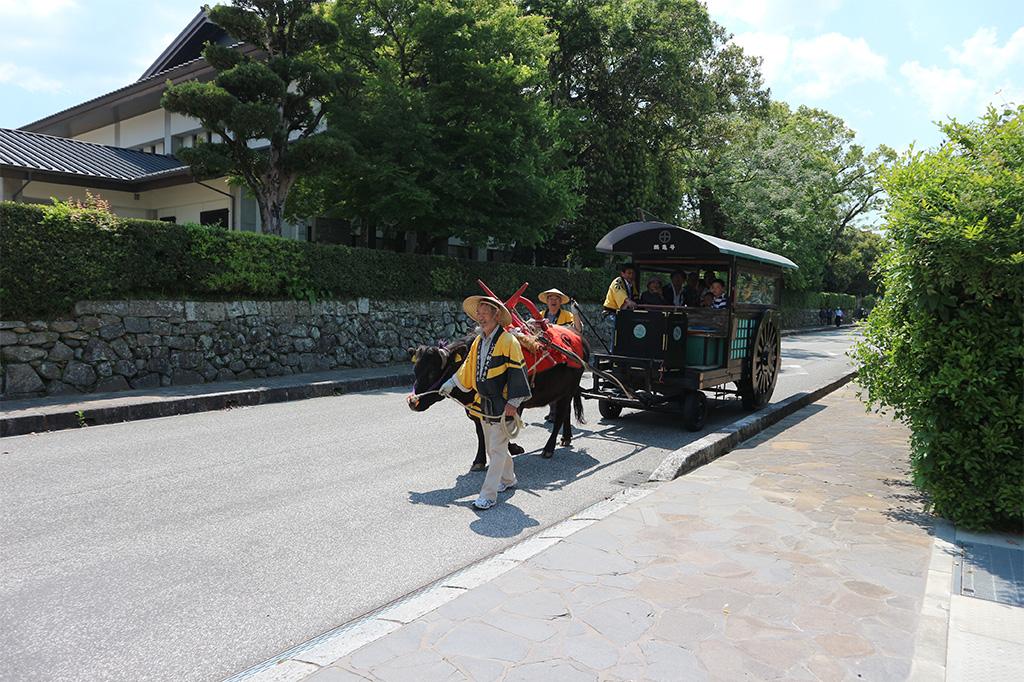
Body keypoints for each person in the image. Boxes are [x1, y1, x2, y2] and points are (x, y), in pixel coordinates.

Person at [439, 296, 532, 510]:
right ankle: (509, 479)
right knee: (494, 448)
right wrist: (451, 383)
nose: (480, 316)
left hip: (502, 404)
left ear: (496, 315)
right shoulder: (479, 341)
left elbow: (519, 372)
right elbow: (468, 368)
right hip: (484, 404)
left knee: (497, 450)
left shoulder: (509, 341)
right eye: (478, 313)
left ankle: (488, 494)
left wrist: (514, 402)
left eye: (484, 312)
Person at [538, 288, 581, 423]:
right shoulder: (540, 315)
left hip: (561, 352)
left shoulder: (568, 315)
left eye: (556, 298)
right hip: (544, 353)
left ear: (561, 302)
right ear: (547, 301)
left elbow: (578, 330)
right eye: (550, 298)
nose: (553, 301)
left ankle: (555, 411)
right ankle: (552, 410)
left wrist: (576, 314)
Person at [602, 263, 638, 351]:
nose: (631, 275)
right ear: (623, 274)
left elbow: (636, 297)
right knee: (618, 326)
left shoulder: (632, 285)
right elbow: (623, 297)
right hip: (610, 314)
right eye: (629, 273)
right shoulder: (617, 282)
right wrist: (628, 301)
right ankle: (613, 353)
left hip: (622, 314)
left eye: (633, 273)